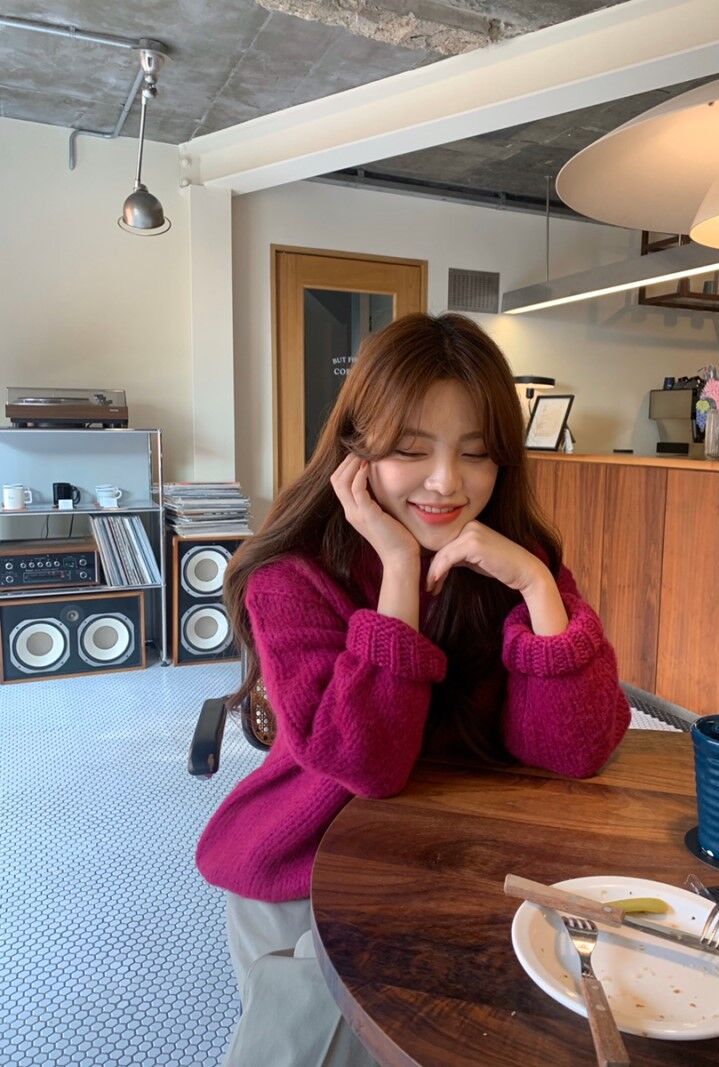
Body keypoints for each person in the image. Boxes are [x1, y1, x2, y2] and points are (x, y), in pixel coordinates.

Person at [197, 312, 630, 1066]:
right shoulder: (292, 576)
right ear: (356, 449)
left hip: (462, 856)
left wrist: (536, 583)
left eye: (476, 453)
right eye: (410, 449)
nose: (446, 482)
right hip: (307, 861)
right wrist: (398, 569)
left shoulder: (509, 555)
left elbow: (574, 750)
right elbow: (366, 764)